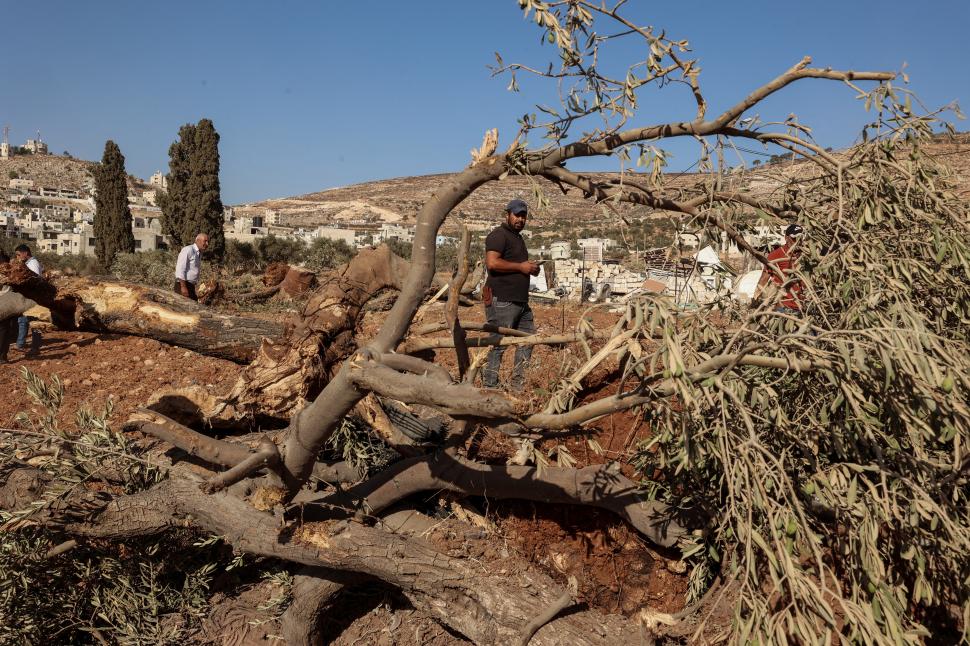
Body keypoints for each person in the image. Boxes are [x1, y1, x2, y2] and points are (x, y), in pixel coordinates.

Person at [481, 199, 541, 389]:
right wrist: (521, 267)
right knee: (498, 344)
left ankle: (517, 386)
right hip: (502, 300)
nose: (520, 219)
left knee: (527, 340)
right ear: (507, 214)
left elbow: (516, 266)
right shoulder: (498, 235)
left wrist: (530, 269)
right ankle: (489, 387)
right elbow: (492, 263)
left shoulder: (517, 238)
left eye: (523, 216)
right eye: (517, 215)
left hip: (520, 302)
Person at [754, 223, 803, 313]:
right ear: (786, 238)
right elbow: (764, 279)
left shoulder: (805, 255)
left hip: (803, 306)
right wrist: (755, 300)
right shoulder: (775, 255)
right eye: (794, 238)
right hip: (783, 307)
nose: (797, 242)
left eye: (800, 238)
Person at [13, 244, 43, 353]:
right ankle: (20, 344)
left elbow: (35, 280)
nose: (17, 257)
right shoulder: (28, 264)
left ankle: (35, 347)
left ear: (25, 253)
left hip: (33, 298)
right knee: (23, 320)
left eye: (18, 255)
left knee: (34, 323)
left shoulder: (33, 264)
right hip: (28, 298)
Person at [174, 233, 209, 301]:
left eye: (207, 241)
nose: (207, 244)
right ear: (198, 240)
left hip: (190, 286)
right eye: (205, 241)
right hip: (183, 285)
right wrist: (183, 287)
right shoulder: (188, 250)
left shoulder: (198, 253)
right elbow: (180, 269)